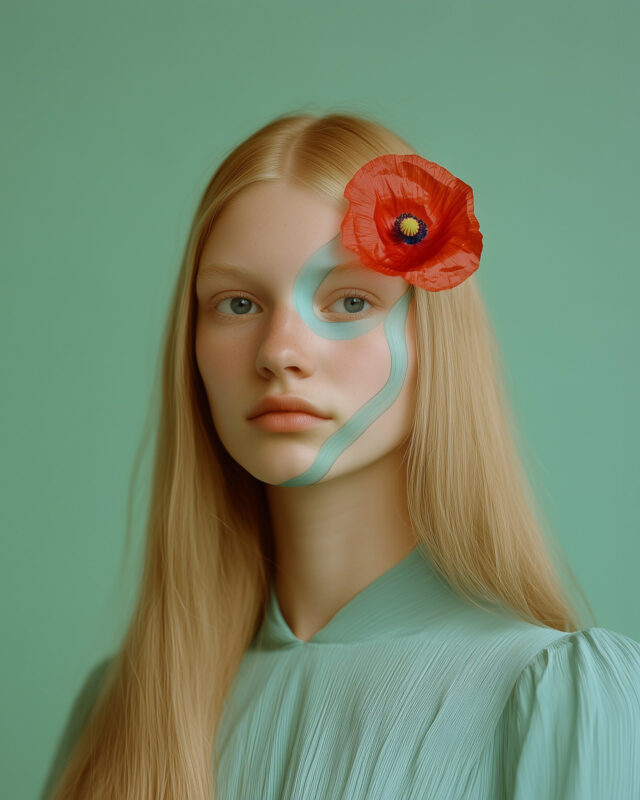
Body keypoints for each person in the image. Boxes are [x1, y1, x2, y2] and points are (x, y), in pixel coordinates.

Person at [42, 111, 640, 800]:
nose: (279, 353)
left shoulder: (558, 699)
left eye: (351, 300)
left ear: (433, 340)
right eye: (237, 304)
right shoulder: (118, 712)